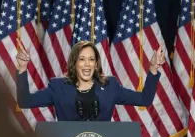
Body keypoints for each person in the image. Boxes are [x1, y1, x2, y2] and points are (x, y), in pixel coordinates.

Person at [16, 41, 166, 121]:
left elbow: (144, 99)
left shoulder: (110, 86)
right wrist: (22, 69)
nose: (87, 64)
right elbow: (25, 101)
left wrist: (153, 68)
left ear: (96, 64)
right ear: (74, 63)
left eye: (91, 59)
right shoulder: (58, 87)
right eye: (82, 59)